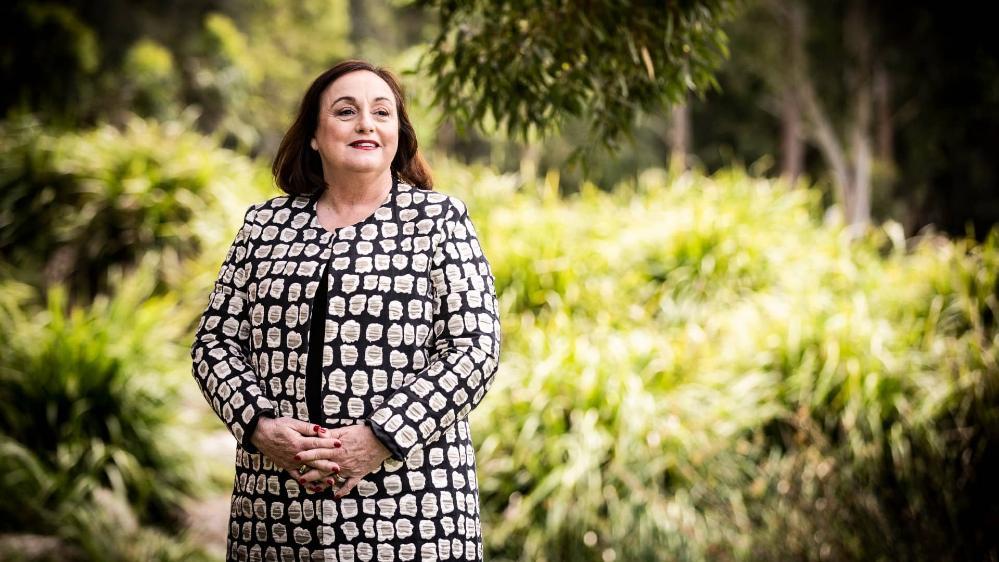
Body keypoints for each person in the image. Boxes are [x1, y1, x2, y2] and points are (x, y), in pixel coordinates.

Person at [191, 59, 501, 562]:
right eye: (345, 111)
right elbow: (214, 343)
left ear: (398, 133)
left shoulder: (439, 220)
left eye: (382, 112)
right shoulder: (266, 225)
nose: (366, 124)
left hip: (412, 507)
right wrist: (258, 425)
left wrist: (379, 437)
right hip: (275, 507)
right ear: (314, 134)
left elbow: (474, 351)